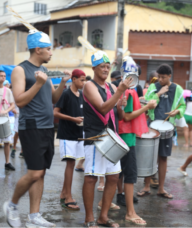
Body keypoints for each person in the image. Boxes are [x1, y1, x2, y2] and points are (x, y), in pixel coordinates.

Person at [3, 28, 71, 228]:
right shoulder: (20, 70)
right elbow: (20, 101)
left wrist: (63, 84)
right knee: (33, 173)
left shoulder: (45, 71)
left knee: (40, 173)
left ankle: (34, 217)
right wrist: (38, 83)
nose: (52, 52)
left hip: (47, 127)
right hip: (31, 127)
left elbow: (54, 98)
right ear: (38, 49)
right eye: (49, 49)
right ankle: (12, 205)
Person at [82, 48, 131, 228]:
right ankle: (89, 219)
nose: (105, 69)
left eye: (108, 66)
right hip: (96, 137)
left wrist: (121, 106)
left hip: (111, 137)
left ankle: (103, 216)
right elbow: (102, 108)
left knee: (113, 177)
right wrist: (120, 92)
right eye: (102, 66)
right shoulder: (89, 86)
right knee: (91, 177)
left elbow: (117, 113)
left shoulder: (111, 86)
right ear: (94, 68)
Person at [116, 57, 157, 225]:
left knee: (117, 173)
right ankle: (130, 213)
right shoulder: (127, 90)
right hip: (126, 137)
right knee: (130, 174)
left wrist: (141, 104)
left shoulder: (124, 89)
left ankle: (105, 203)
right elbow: (125, 117)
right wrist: (146, 107)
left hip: (123, 136)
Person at [141, 64, 186, 199]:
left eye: (163, 77)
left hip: (168, 126)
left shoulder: (177, 89)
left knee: (163, 157)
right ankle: (146, 186)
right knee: (149, 156)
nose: (160, 79)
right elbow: (148, 102)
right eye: (158, 77)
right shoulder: (154, 87)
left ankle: (161, 188)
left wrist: (177, 111)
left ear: (169, 76)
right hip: (152, 126)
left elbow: (182, 105)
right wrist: (159, 94)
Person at [53, 69, 86, 211]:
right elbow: (55, 112)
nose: (84, 83)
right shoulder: (66, 94)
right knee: (70, 164)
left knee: (72, 165)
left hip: (79, 134)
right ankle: (68, 197)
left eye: (85, 80)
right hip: (67, 134)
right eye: (82, 80)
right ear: (73, 79)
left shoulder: (82, 95)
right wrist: (73, 119)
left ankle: (64, 193)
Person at [0, 71, 15, 171]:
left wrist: (6, 110)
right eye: (1, 76)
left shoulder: (7, 91)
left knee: (6, 141)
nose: (3, 77)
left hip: (4, 118)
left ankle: (7, 162)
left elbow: (12, 104)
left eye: (4, 76)